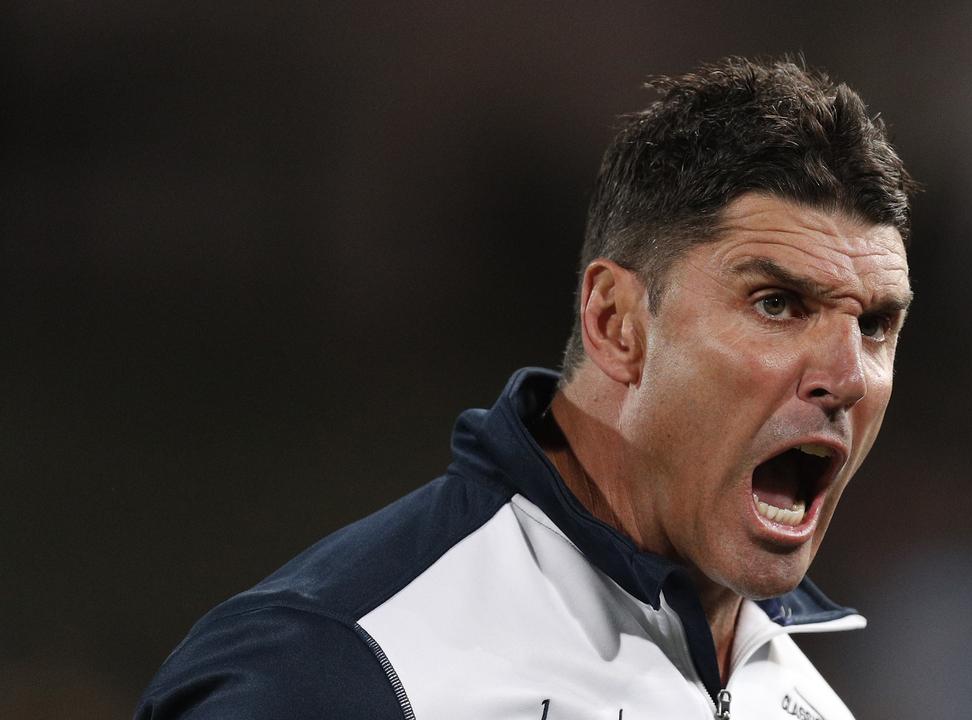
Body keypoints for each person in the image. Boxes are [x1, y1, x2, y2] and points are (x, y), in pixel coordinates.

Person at [135, 56, 915, 720]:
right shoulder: (335, 669)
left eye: (875, 324)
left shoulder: (801, 697)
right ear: (617, 325)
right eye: (777, 305)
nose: (848, 376)